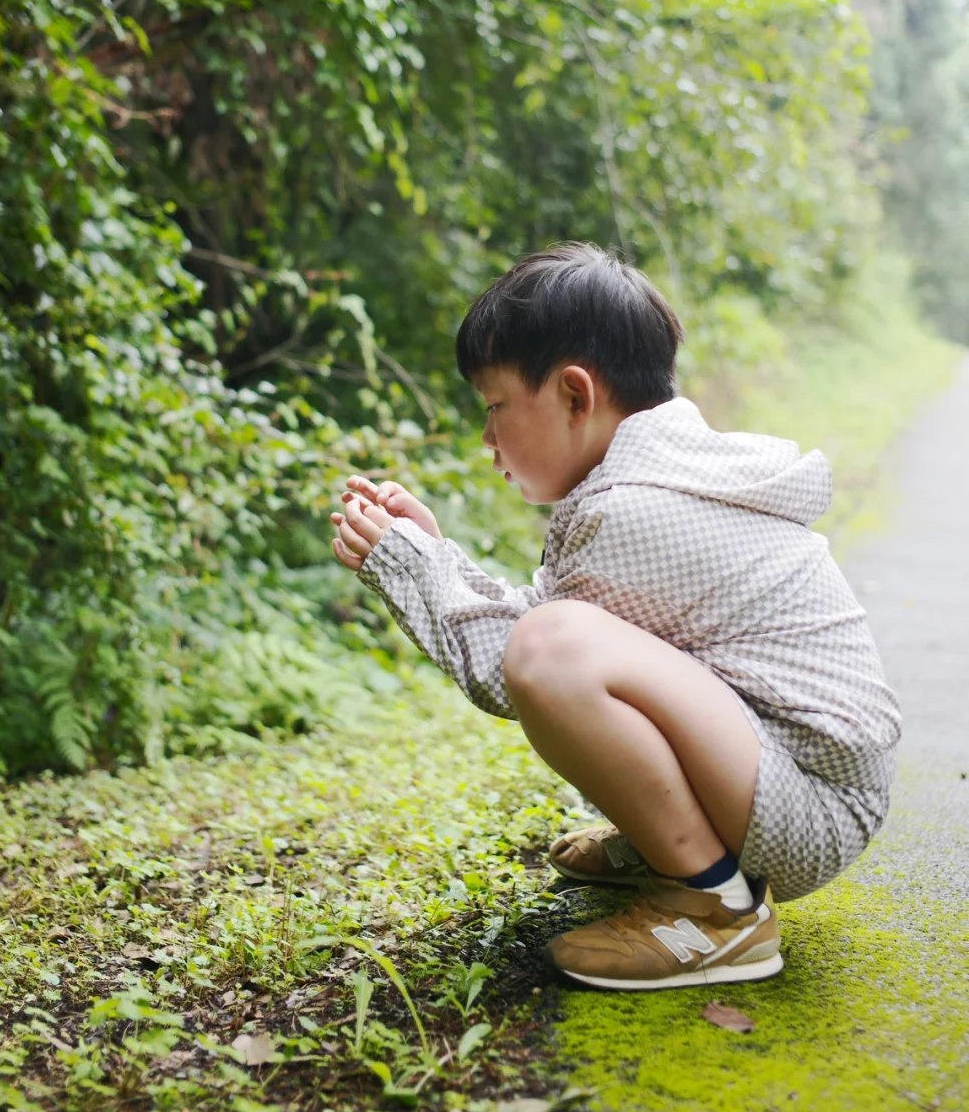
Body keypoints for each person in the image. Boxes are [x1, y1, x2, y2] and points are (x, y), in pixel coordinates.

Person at [329, 244, 900, 991]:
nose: (487, 437)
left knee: (551, 650)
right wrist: (438, 553)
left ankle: (715, 907)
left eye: (495, 406)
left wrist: (407, 565)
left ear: (574, 394)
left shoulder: (636, 510)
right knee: (557, 639)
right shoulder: (659, 475)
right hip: (790, 778)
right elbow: (554, 625)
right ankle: (680, 848)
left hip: (808, 808)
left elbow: (528, 665)